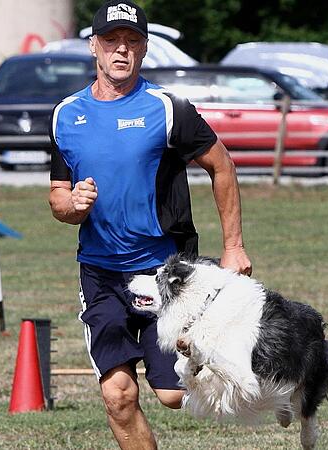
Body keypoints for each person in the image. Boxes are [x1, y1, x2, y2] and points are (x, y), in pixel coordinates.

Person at [48, 1, 251, 448]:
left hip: (166, 272)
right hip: (100, 273)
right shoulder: (66, 115)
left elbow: (222, 166)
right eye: (111, 41)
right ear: (93, 48)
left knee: (173, 395)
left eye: (132, 42)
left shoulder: (169, 109)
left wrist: (233, 246)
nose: (121, 51)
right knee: (118, 395)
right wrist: (73, 205)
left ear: (144, 50)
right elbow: (58, 196)